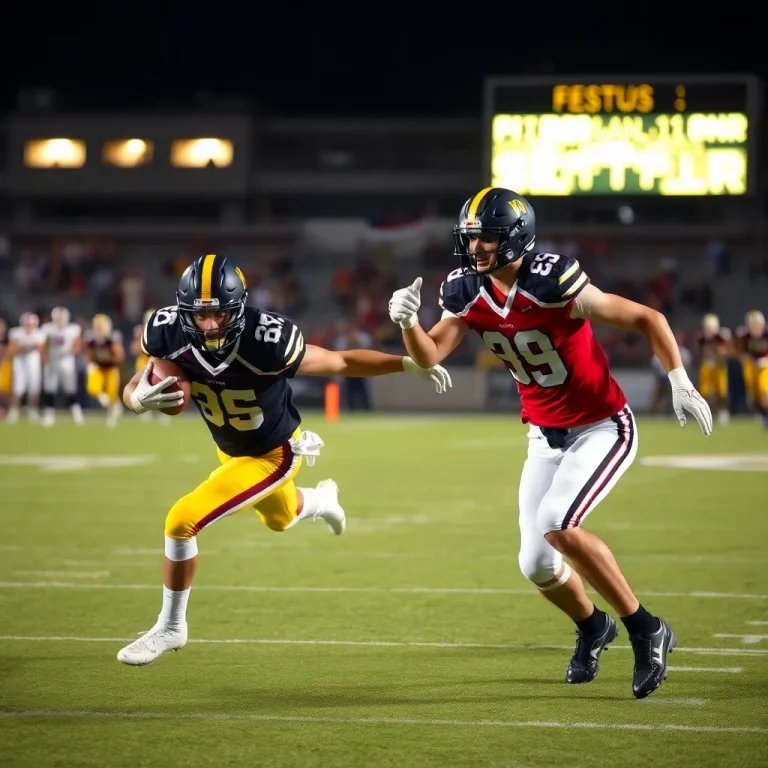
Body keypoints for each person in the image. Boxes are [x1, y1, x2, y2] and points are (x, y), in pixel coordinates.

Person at [387, 187, 712, 700]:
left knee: (559, 523)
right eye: (471, 239)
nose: (475, 250)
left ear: (514, 239)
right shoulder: (467, 290)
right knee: (534, 564)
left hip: (602, 426)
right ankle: (592, 627)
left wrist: (679, 379)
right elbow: (429, 357)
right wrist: (407, 323)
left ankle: (646, 628)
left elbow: (647, 318)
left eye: (486, 239)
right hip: (543, 433)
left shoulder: (553, 281)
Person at [117, 254, 451, 666]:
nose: (209, 325)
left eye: (219, 314)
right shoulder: (166, 331)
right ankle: (323, 500)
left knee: (181, 520)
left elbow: (339, 361)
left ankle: (170, 628)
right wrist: (136, 400)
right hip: (230, 447)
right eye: (199, 315)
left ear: (237, 308)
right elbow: (142, 377)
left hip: (273, 453)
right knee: (279, 518)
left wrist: (404, 365)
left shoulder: (267, 340)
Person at [40, 306, 84, 427]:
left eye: (61, 317)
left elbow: (78, 344)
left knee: (70, 388)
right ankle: (49, 415)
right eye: (58, 317)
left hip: (67, 361)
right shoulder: (48, 328)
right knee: (50, 388)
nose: (60, 320)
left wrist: (71, 353)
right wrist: (45, 359)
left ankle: (77, 414)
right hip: (52, 360)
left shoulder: (72, 328)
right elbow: (43, 345)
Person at [83, 313, 125, 428]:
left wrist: (109, 358)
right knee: (92, 388)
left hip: (111, 368)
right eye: (98, 326)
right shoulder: (91, 338)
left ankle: (111, 417)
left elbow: (119, 356)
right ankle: (106, 401)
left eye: (101, 326)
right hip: (99, 367)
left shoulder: (112, 339)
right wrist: (90, 364)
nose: (99, 329)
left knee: (112, 394)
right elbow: (88, 354)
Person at [696, 313, 732, 425]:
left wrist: (722, 350)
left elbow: (727, 352)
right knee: (704, 392)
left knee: (721, 391)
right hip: (707, 365)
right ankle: (706, 413)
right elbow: (699, 352)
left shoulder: (721, 337)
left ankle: (723, 412)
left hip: (719, 366)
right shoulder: (702, 338)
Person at [735, 310, 768, 427]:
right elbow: (739, 352)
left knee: (763, 389)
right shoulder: (744, 336)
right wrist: (749, 359)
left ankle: (766, 416)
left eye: (758, 325)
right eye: (753, 325)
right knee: (753, 393)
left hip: (765, 366)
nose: (756, 328)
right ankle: (762, 413)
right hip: (751, 366)